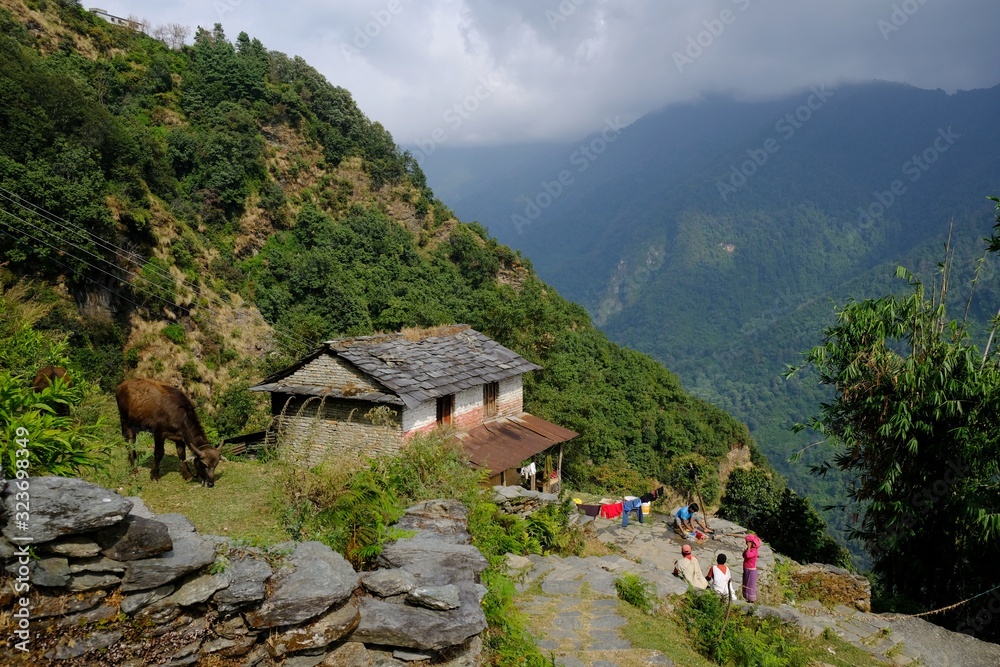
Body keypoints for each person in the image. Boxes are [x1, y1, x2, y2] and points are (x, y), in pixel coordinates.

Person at [742, 534, 761, 603]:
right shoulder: (750, 550)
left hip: (751, 571)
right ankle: (747, 599)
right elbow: (744, 555)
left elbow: (748, 555)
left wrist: (749, 547)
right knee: (746, 584)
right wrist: (747, 548)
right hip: (746, 569)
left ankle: (751, 600)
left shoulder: (754, 551)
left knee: (750, 586)